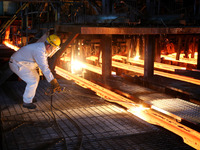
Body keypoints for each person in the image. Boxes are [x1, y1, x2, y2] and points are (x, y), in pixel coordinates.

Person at [9, 34, 61, 109]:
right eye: (54, 48)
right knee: (32, 80)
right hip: (17, 64)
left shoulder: (42, 47)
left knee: (36, 77)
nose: (53, 50)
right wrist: (53, 81)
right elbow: (44, 67)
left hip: (24, 64)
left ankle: (29, 97)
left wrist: (51, 78)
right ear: (48, 46)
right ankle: (27, 102)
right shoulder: (39, 51)